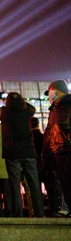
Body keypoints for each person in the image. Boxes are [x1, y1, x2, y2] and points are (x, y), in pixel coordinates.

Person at [0, 92, 44, 217]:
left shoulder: (4, 113)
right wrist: (21, 101)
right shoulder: (27, 112)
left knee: (14, 185)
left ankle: (17, 214)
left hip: (12, 154)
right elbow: (32, 108)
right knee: (34, 184)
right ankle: (39, 213)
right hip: (28, 152)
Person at [42, 80, 71, 216]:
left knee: (68, 179)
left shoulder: (67, 105)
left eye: (50, 92)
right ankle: (65, 208)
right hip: (57, 150)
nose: (49, 95)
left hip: (66, 148)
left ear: (58, 91)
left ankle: (66, 208)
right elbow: (50, 131)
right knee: (63, 181)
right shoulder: (54, 108)